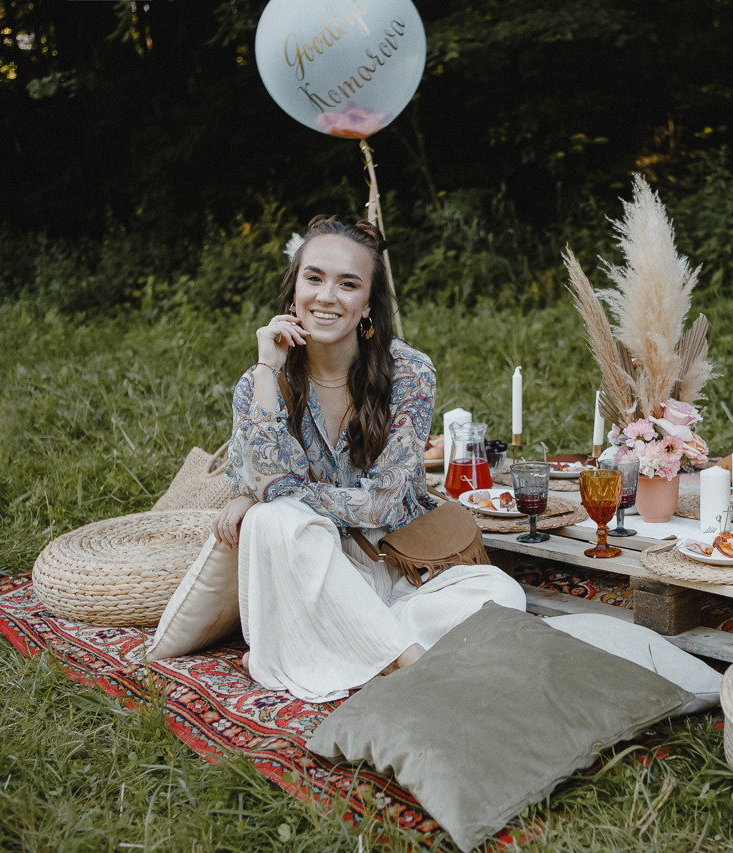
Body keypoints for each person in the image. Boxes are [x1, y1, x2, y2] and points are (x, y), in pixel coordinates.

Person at [212, 215, 526, 702]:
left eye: (348, 284)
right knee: (272, 523)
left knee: (504, 596)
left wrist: (272, 493)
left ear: (366, 307)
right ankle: (405, 660)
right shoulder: (260, 383)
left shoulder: (409, 373)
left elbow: (381, 505)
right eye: (314, 278)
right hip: (307, 567)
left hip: (392, 566)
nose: (326, 296)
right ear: (293, 291)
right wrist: (268, 370)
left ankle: (311, 651)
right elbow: (252, 472)